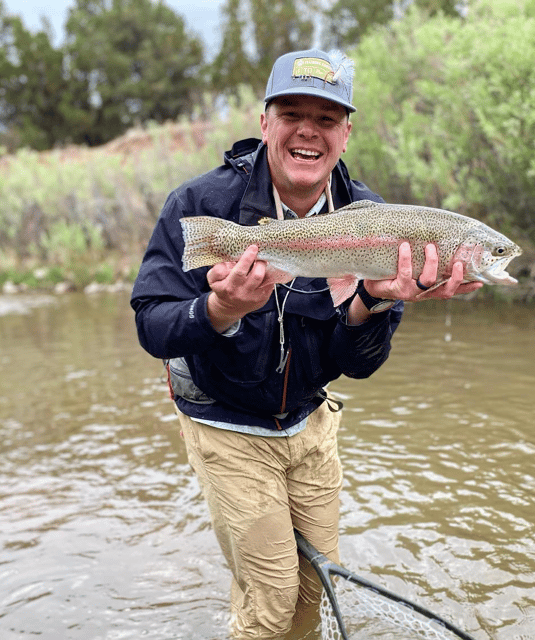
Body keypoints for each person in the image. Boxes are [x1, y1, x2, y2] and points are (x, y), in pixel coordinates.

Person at [131, 48, 481, 639]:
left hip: (310, 421)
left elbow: (358, 365)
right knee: (270, 601)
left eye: (326, 118)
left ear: (346, 132)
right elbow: (152, 324)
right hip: (226, 420)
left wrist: (373, 301)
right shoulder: (199, 207)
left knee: (315, 588)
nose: (308, 131)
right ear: (264, 121)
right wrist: (219, 309)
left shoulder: (374, 219)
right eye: (292, 112)